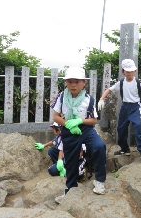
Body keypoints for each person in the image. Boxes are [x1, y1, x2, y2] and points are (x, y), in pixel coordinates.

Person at [50, 67, 107, 204]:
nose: (73, 84)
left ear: (84, 83)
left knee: (99, 147)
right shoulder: (62, 97)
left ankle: (99, 181)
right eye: (70, 81)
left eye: (77, 81)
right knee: (70, 161)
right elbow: (56, 116)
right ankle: (70, 189)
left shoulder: (89, 99)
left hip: (86, 129)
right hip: (69, 130)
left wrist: (79, 120)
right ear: (66, 83)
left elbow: (93, 120)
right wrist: (67, 123)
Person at [97, 59, 141, 161]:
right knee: (121, 129)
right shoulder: (121, 83)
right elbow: (109, 89)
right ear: (123, 72)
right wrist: (101, 99)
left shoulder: (139, 82)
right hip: (125, 107)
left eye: (131, 70)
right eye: (127, 71)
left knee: (138, 127)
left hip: (136, 107)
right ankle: (124, 149)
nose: (129, 72)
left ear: (135, 71)